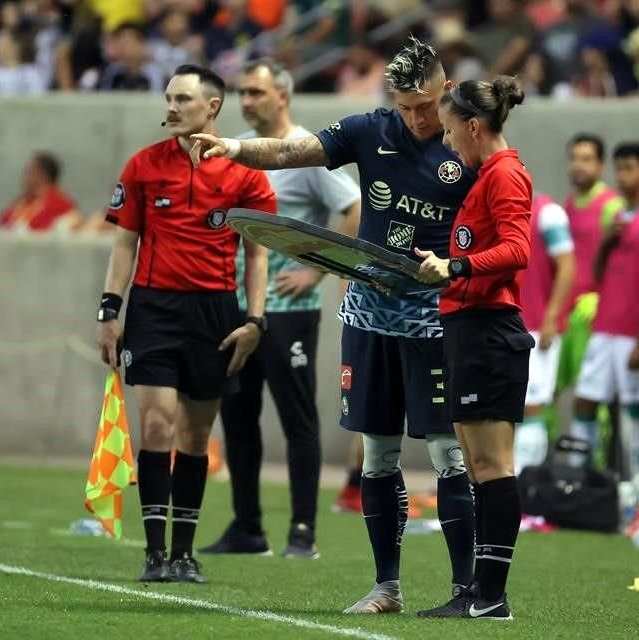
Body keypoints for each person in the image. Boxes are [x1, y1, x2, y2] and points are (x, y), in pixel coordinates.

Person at [189, 37, 477, 615]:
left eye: (427, 105)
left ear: (446, 90)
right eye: (406, 106)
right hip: (369, 316)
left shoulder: (467, 145)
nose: (418, 118)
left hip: (437, 321)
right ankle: (386, 588)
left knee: (449, 456)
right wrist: (230, 148)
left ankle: (467, 589)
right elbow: (289, 152)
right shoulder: (368, 130)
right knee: (377, 455)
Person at [94, 64, 276, 584]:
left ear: (212, 107)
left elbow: (257, 255)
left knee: (196, 437)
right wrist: (110, 309)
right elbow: (125, 243)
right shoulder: (144, 166)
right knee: (156, 424)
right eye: (169, 98)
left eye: (183, 100)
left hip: (216, 311)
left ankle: (184, 552)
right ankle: (153, 553)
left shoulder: (246, 175)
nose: (171, 108)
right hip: (154, 309)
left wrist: (255, 319)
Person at [199, 59, 361, 559]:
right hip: (238, 304)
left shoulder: (305, 152)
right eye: (242, 93)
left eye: (255, 93)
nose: (246, 102)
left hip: (291, 307)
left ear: (282, 96)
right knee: (239, 416)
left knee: (297, 419)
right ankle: (247, 528)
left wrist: (318, 269)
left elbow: (355, 206)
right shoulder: (241, 153)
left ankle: (303, 531)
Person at [412, 75, 532, 620]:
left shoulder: (506, 174)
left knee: (492, 465)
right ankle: (481, 594)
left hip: (489, 331)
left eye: (451, 130)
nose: (446, 142)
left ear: (474, 126)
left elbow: (517, 249)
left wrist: (456, 266)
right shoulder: (486, 176)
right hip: (468, 327)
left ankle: (491, 597)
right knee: (478, 464)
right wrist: (443, 271)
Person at [572, 142, 639, 480]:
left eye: (630, 168)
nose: (623, 176)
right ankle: (581, 482)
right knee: (584, 402)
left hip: (637, 335)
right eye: (619, 168)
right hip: (605, 329)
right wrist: (605, 242)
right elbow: (599, 277)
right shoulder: (618, 218)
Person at [514, 190, 575, 472]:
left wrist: (551, 317)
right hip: (506, 324)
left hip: (538, 328)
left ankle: (525, 492)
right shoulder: (498, 209)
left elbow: (567, 265)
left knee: (532, 407)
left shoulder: (548, 214)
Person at [559, 134, 624, 391]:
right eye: (574, 159)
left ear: (601, 165)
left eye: (586, 159)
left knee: (593, 393)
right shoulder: (568, 205)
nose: (578, 165)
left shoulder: (612, 206)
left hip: (595, 312)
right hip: (568, 312)